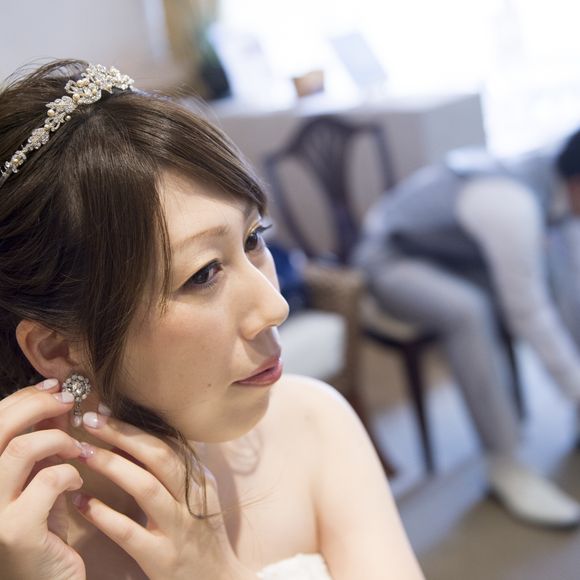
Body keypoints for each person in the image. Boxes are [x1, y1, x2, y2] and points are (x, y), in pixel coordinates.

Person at [0, 60, 424, 579]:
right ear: (59, 349)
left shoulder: (313, 424)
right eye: (202, 274)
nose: (275, 306)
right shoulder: (24, 546)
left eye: (253, 238)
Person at [354, 135, 580, 528]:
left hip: (453, 256)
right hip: (390, 257)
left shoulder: (556, 183)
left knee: (559, 272)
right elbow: (528, 312)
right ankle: (504, 464)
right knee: (468, 311)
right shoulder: (512, 205)